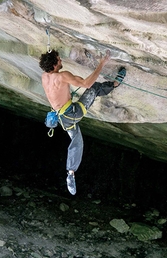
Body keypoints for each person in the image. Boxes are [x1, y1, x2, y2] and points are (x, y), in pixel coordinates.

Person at [39, 49, 126, 195]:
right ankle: (116, 83)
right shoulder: (62, 76)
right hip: (72, 114)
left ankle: (71, 172)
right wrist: (102, 63)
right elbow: (86, 84)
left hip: (62, 118)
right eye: (59, 60)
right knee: (95, 87)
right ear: (54, 65)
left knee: (77, 139)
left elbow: (63, 84)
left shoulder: (44, 76)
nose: (61, 61)